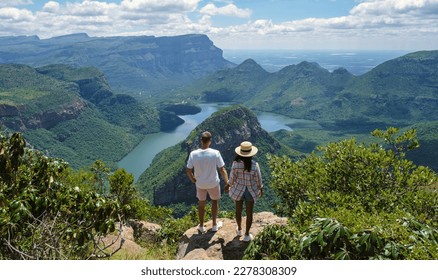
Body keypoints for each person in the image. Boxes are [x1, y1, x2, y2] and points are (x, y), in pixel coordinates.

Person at [186, 131, 229, 233]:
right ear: (210, 141)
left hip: (200, 184)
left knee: (201, 204)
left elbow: (188, 170)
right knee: (214, 202)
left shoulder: (193, 154)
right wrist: (227, 182)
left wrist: (193, 179)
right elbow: (222, 169)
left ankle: (201, 226)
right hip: (213, 183)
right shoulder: (215, 153)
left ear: (201, 140)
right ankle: (214, 225)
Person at [225, 141, 263, 242]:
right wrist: (260, 188)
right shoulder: (255, 165)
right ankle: (246, 235)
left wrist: (228, 185)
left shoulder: (235, 164)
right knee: (249, 213)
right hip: (250, 191)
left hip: (238, 190)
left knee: (238, 211)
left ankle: (239, 230)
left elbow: (232, 178)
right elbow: (258, 179)